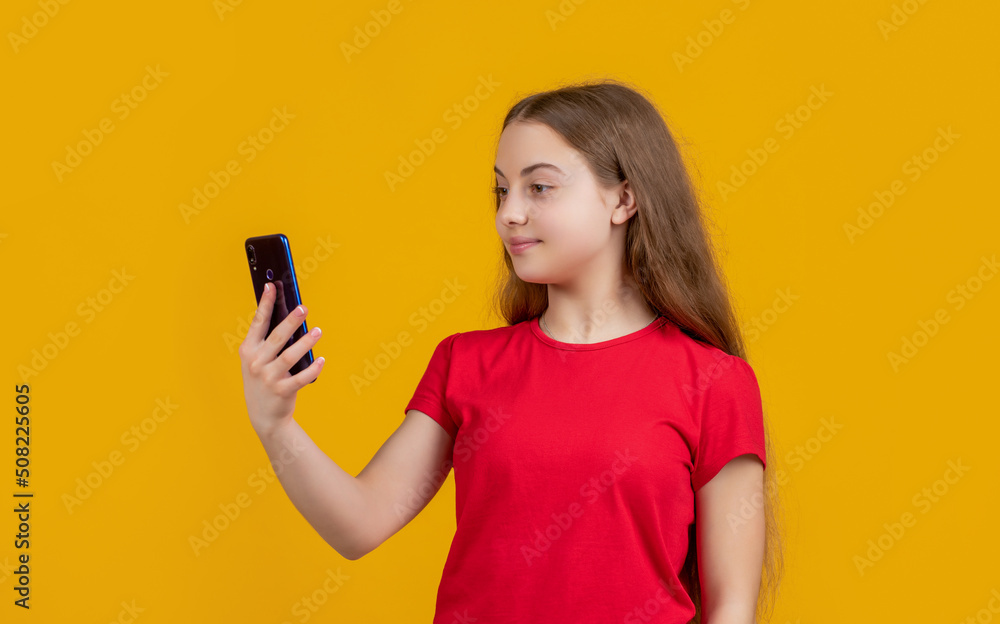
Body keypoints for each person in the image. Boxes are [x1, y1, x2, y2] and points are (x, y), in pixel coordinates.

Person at [239, 78, 784, 624]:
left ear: (624, 198)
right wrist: (276, 425)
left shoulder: (714, 381)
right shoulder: (465, 364)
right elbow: (357, 525)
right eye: (502, 191)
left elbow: (731, 609)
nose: (509, 214)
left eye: (539, 188)